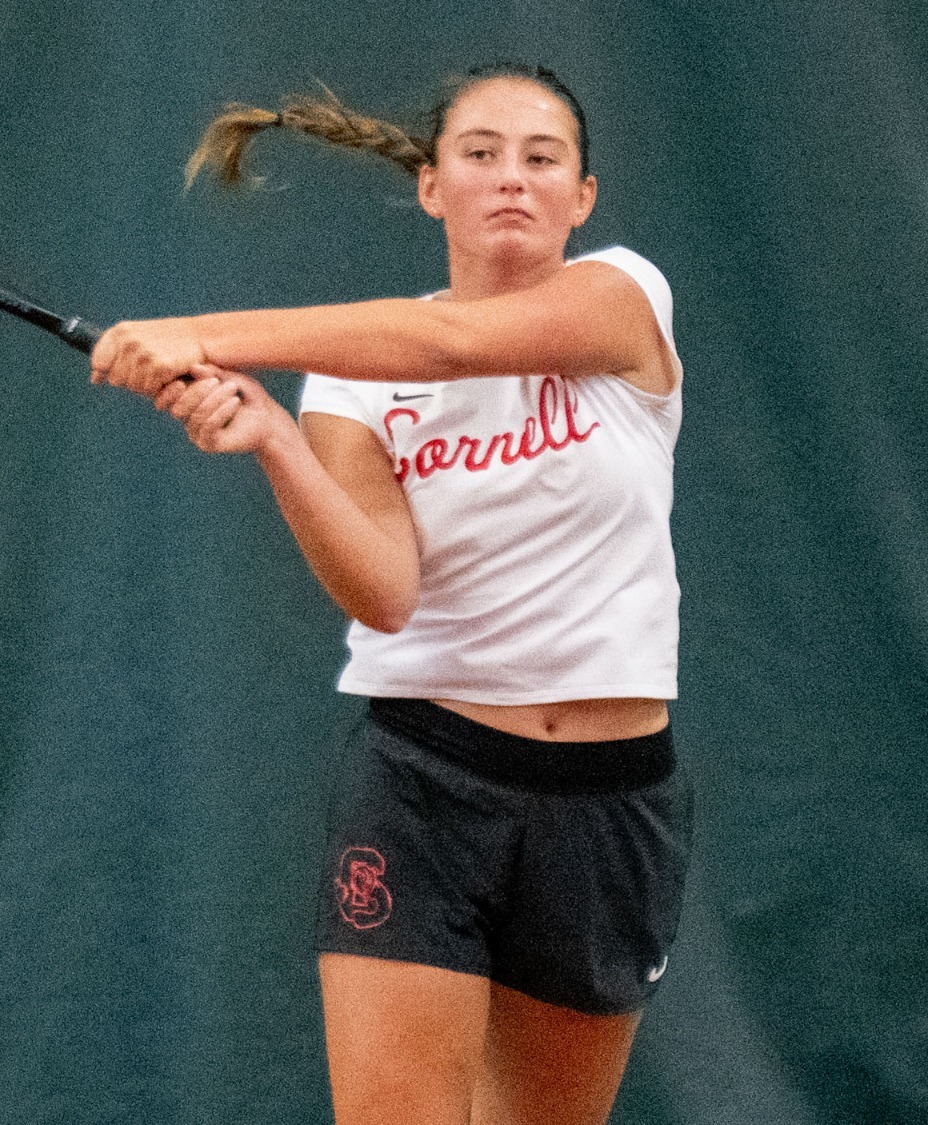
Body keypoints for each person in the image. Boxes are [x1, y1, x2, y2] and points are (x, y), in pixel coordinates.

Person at [89, 64, 692, 1125]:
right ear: (430, 188)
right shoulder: (353, 377)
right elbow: (383, 595)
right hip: (424, 785)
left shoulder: (624, 296)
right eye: (479, 154)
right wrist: (275, 439)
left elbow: (448, 342)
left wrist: (199, 331)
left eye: (540, 158)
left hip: (609, 801)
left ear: (581, 198)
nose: (511, 178)